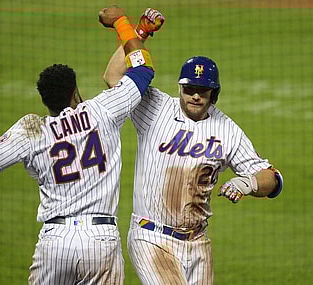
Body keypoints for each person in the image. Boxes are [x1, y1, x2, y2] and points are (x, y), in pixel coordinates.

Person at [0, 6, 155, 285]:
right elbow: (142, 69)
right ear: (73, 91)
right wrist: (122, 23)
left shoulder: (32, 130)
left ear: (45, 101)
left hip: (55, 243)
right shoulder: (102, 111)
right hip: (101, 240)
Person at [103, 8, 283, 285]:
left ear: (215, 93)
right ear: (180, 88)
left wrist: (246, 184)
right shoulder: (156, 107)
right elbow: (113, 77)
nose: (195, 96)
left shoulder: (227, 130)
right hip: (151, 237)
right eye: (189, 89)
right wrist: (141, 33)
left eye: (203, 90)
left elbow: (272, 177)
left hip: (198, 243)